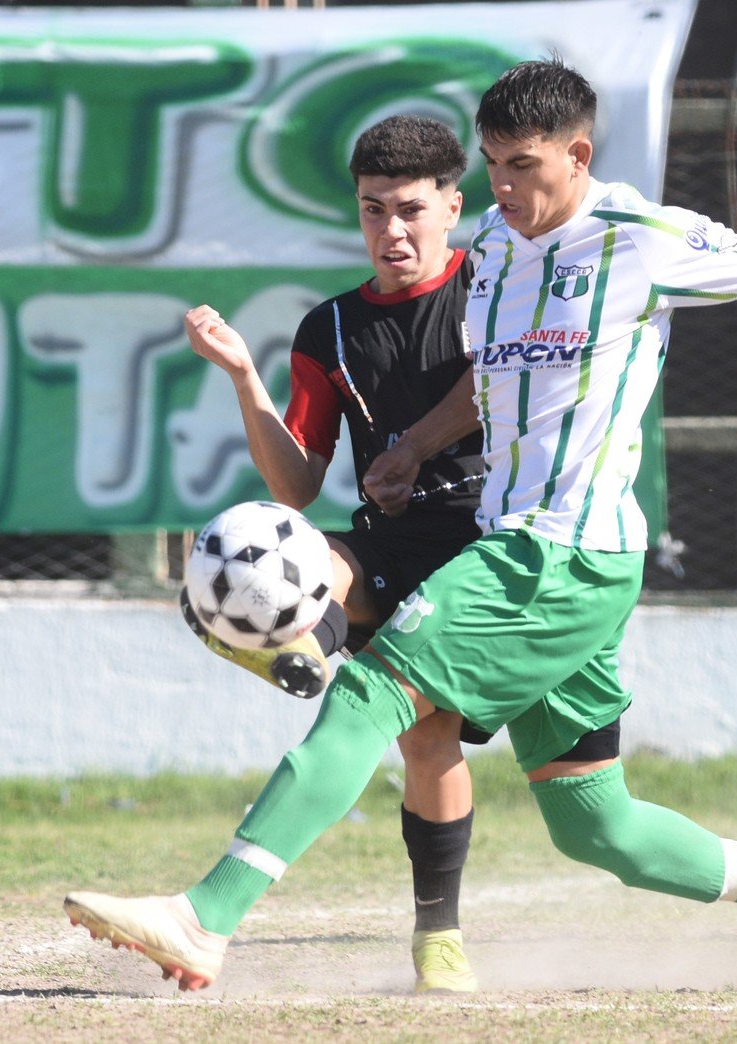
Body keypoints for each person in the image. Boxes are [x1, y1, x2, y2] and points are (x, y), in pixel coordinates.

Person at [64, 58, 737, 991]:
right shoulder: (498, 257)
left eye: (524, 167)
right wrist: (418, 444)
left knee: (374, 691)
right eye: (494, 167)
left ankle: (205, 920)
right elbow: (497, 387)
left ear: (578, 154)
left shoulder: (639, 236)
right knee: (601, 830)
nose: (506, 189)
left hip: (560, 553)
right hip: (536, 555)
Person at [176, 114, 495, 993]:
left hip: (490, 549)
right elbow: (296, 488)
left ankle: (438, 933)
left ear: (452, 206)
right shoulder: (331, 331)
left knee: (437, 746)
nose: (391, 231)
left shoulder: (498, 290)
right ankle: (298, 642)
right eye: (371, 211)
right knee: (252, 553)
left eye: (410, 211)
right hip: (388, 543)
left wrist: (414, 452)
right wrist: (244, 376)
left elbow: (496, 391)